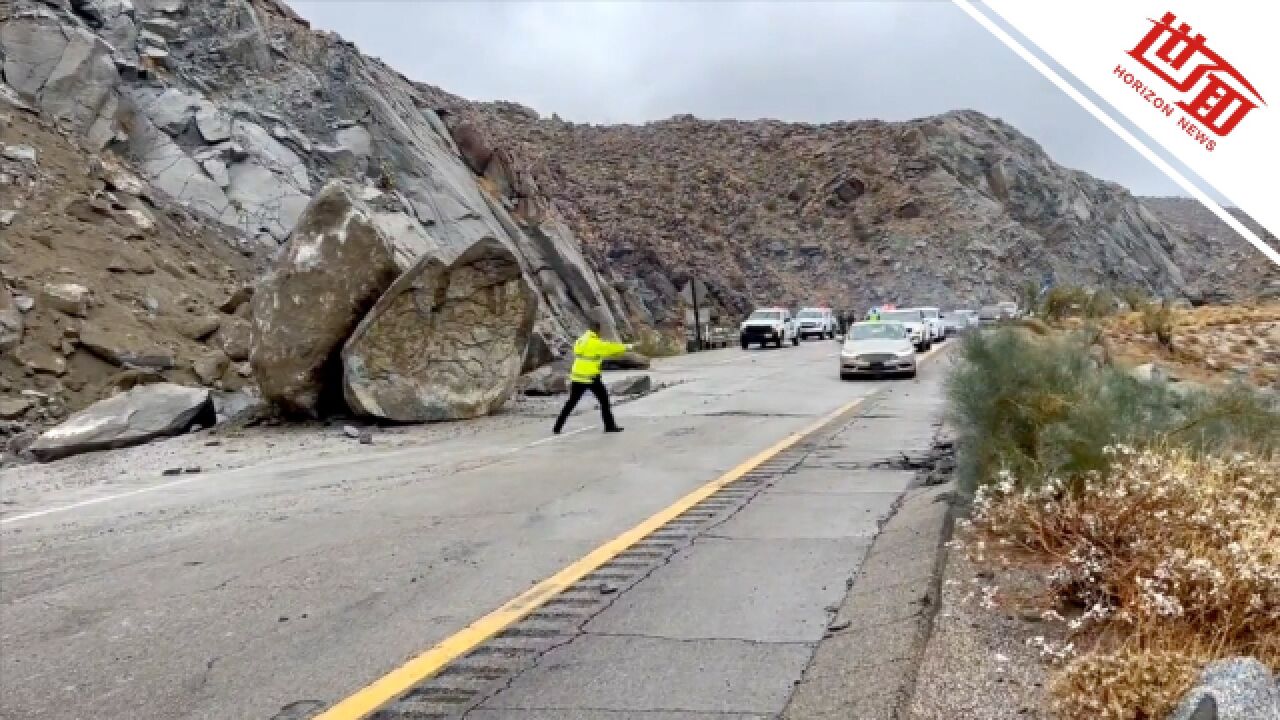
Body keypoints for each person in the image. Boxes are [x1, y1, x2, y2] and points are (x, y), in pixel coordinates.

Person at [553, 319, 631, 434]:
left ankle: (557, 427)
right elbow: (610, 348)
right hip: (591, 377)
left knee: (571, 403)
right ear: (598, 330)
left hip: (577, 376)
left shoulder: (580, 340)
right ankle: (609, 426)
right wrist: (627, 347)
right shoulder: (595, 343)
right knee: (604, 401)